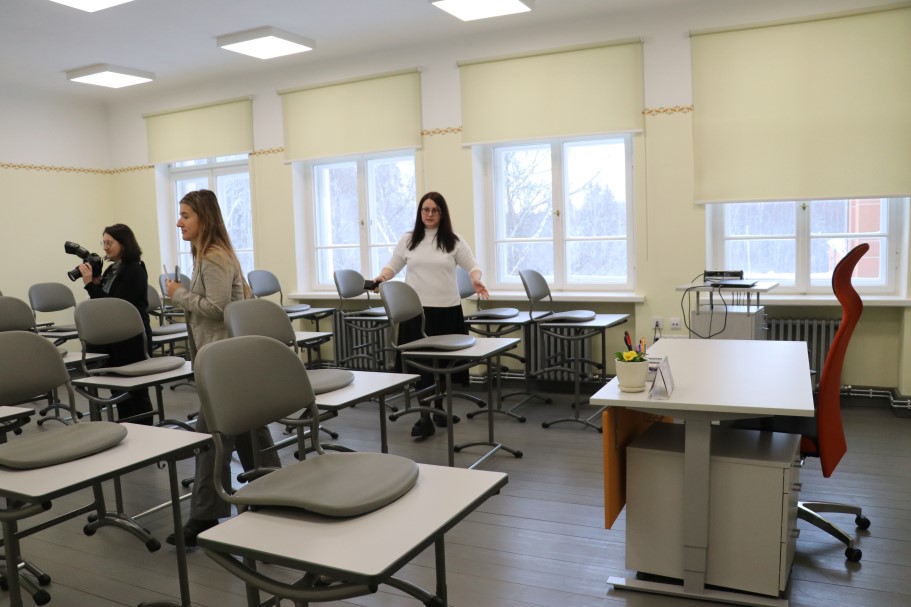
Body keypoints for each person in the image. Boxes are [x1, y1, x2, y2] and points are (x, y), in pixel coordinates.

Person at [164, 189, 281, 546]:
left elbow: (218, 308)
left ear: (204, 218)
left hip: (222, 361)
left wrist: (178, 293)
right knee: (249, 429)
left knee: (211, 439)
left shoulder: (213, 257)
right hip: (229, 358)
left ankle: (205, 516)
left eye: (186, 215)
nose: (179, 222)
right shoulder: (212, 254)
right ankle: (274, 491)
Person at [373, 191, 489, 438]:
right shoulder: (409, 240)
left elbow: (473, 266)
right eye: (425, 210)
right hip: (417, 314)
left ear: (442, 214)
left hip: (447, 310)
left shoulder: (453, 241)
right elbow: (393, 265)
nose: (429, 214)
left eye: (435, 210)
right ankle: (424, 416)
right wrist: (381, 277)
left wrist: (476, 279)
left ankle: (438, 408)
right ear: (420, 212)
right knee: (422, 367)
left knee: (443, 365)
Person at [79, 223, 154, 425]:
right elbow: (105, 300)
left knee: (136, 390)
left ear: (124, 244)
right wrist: (96, 284)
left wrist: (89, 285)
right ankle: (128, 428)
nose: (105, 247)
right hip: (114, 338)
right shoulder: (113, 269)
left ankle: (146, 430)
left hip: (131, 340)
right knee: (118, 389)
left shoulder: (134, 270)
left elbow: (115, 306)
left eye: (110, 243)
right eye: (103, 243)